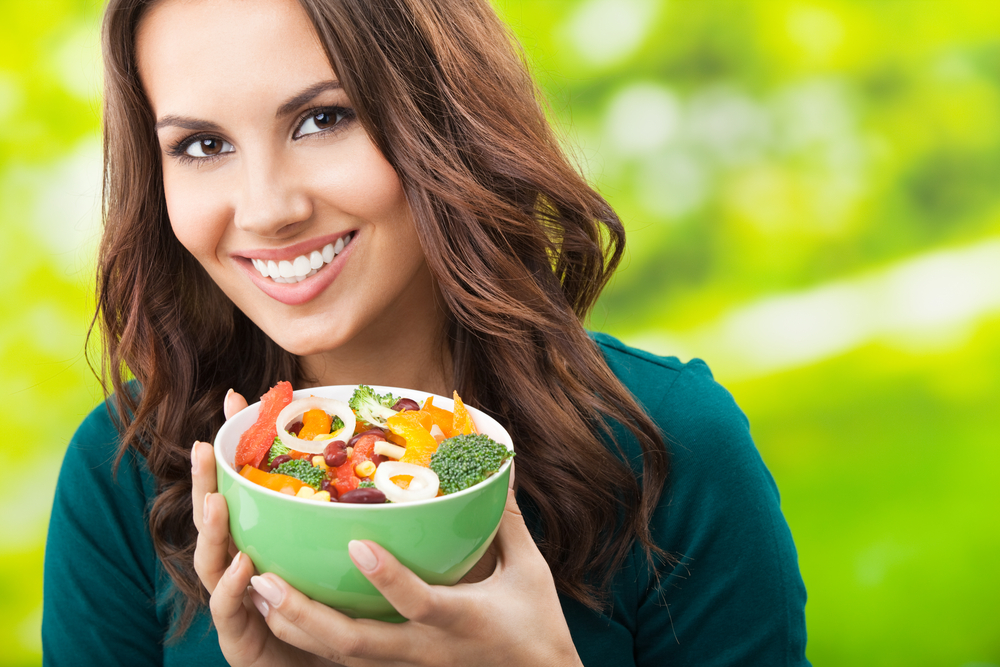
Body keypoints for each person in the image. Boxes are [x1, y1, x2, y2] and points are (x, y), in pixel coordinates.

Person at [42, 0, 810, 664]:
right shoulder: (122, 476)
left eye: (323, 118)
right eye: (202, 145)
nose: (267, 207)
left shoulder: (670, 449)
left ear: (443, 116)